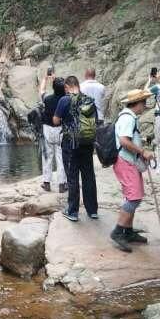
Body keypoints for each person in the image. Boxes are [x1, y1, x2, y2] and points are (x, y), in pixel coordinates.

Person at [110, 88, 155, 252]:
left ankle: (128, 232)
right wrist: (142, 151)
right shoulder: (128, 118)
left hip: (128, 161)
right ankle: (118, 231)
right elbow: (123, 141)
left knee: (133, 196)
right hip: (125, 162)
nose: (145, 105)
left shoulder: (128, 116)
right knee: (134, 198)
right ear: (138, 103)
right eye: (144, 102)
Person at [53, 75, 98, 222]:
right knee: (88, 176)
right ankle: (92, 211)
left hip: (70, 144)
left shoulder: (64, 100)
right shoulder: (88, 100)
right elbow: (95, 121)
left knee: (72, 177)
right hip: (87, 143)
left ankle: (72, 211)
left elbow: (56, 120)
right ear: (78, 85)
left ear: (66, 87)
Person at [38, 73, 67, 192]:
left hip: (48, 129)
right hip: (61, 130)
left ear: (53, 88)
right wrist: (56, 81)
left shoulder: (48, 99)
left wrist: (45, 79)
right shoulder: (66, 99)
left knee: (47, 157)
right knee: (61, 157)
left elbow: (41, 91)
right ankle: (62, 184)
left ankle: (47, 183)